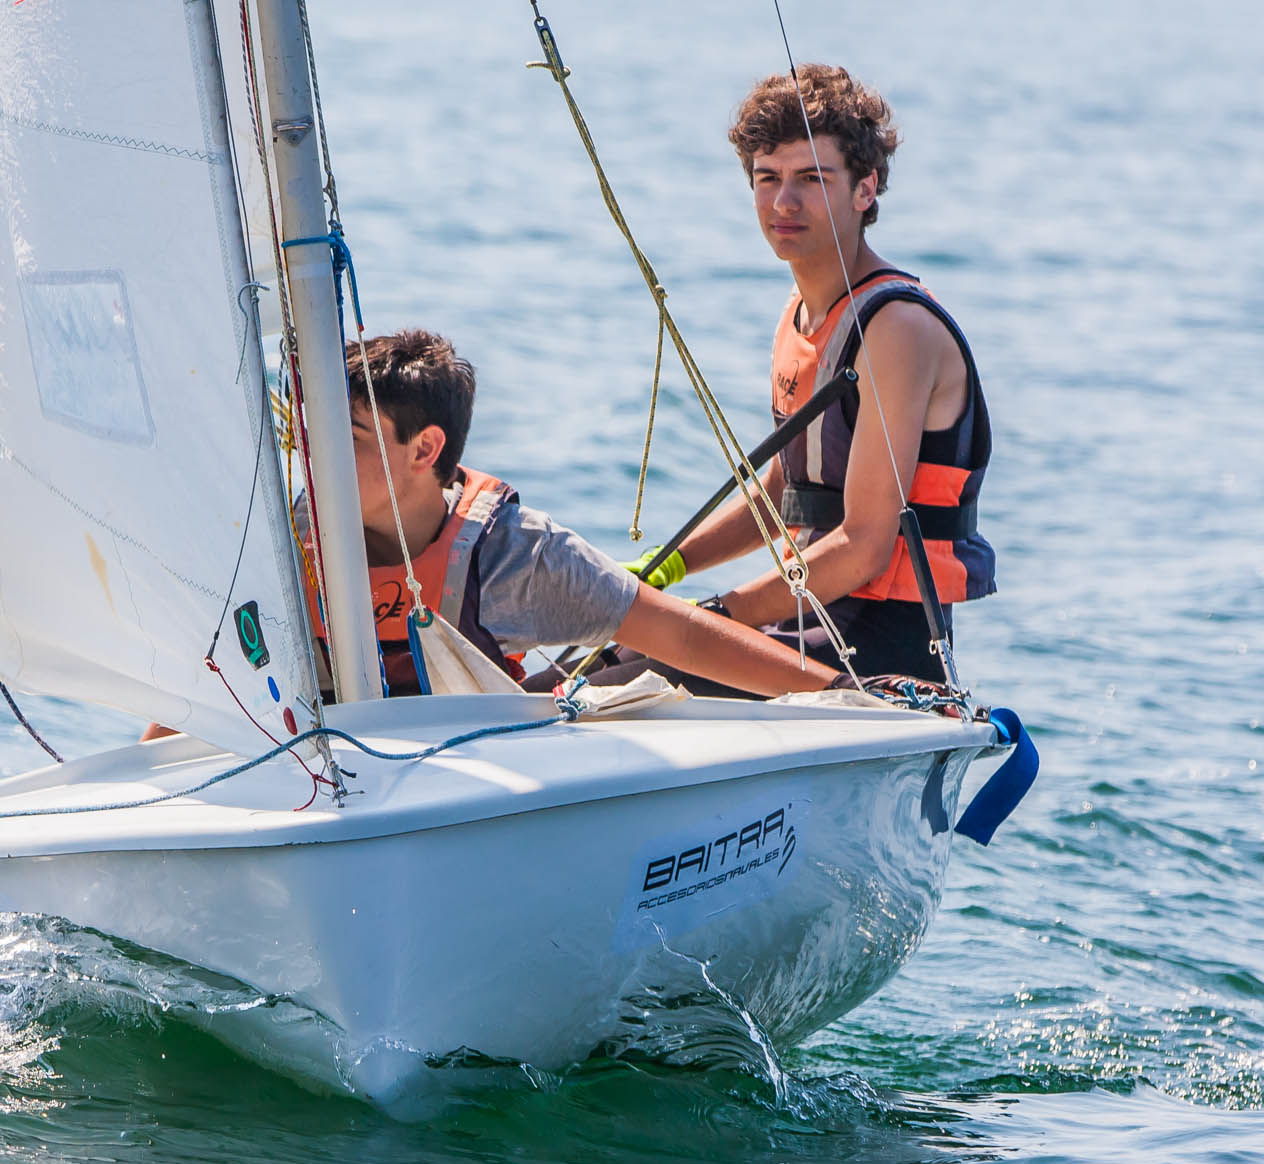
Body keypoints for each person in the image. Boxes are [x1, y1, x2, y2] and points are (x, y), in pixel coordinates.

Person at [629, 64, 995, 683]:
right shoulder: (801, 315)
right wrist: (669, 568)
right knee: (594, 656)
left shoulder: (895, 329)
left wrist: (716, 616)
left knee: (619, 683)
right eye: (767, 178)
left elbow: (865, 546)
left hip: (877, 650)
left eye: (811, 179)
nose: (783, 202)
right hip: (803, 621)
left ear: (865, 189)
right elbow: (787, 487)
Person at [303, 329, 840, 700]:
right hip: (320, 779)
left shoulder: (516, 555)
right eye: (312, 432)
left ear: (424, 449)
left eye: (348, 437)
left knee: (659, 676)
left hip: (463, 781)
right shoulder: (282, 540)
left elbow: (683, 636)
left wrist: (841, 693)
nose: (315, 455)